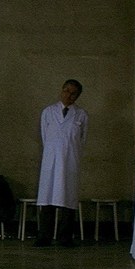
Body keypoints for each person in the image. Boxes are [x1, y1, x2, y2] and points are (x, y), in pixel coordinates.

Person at [35, 79, 88, 247]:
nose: (68, 95)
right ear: (61, 90)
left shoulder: (81, 115)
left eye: (73, 94)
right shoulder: (48, 112)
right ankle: (44, 236)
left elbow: (82, 139)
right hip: (51, 161)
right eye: (66, 91)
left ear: (77, 96)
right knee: (48, 199)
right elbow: (45, 136)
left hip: (70, 161)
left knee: (68, 199)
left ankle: (65, 237)